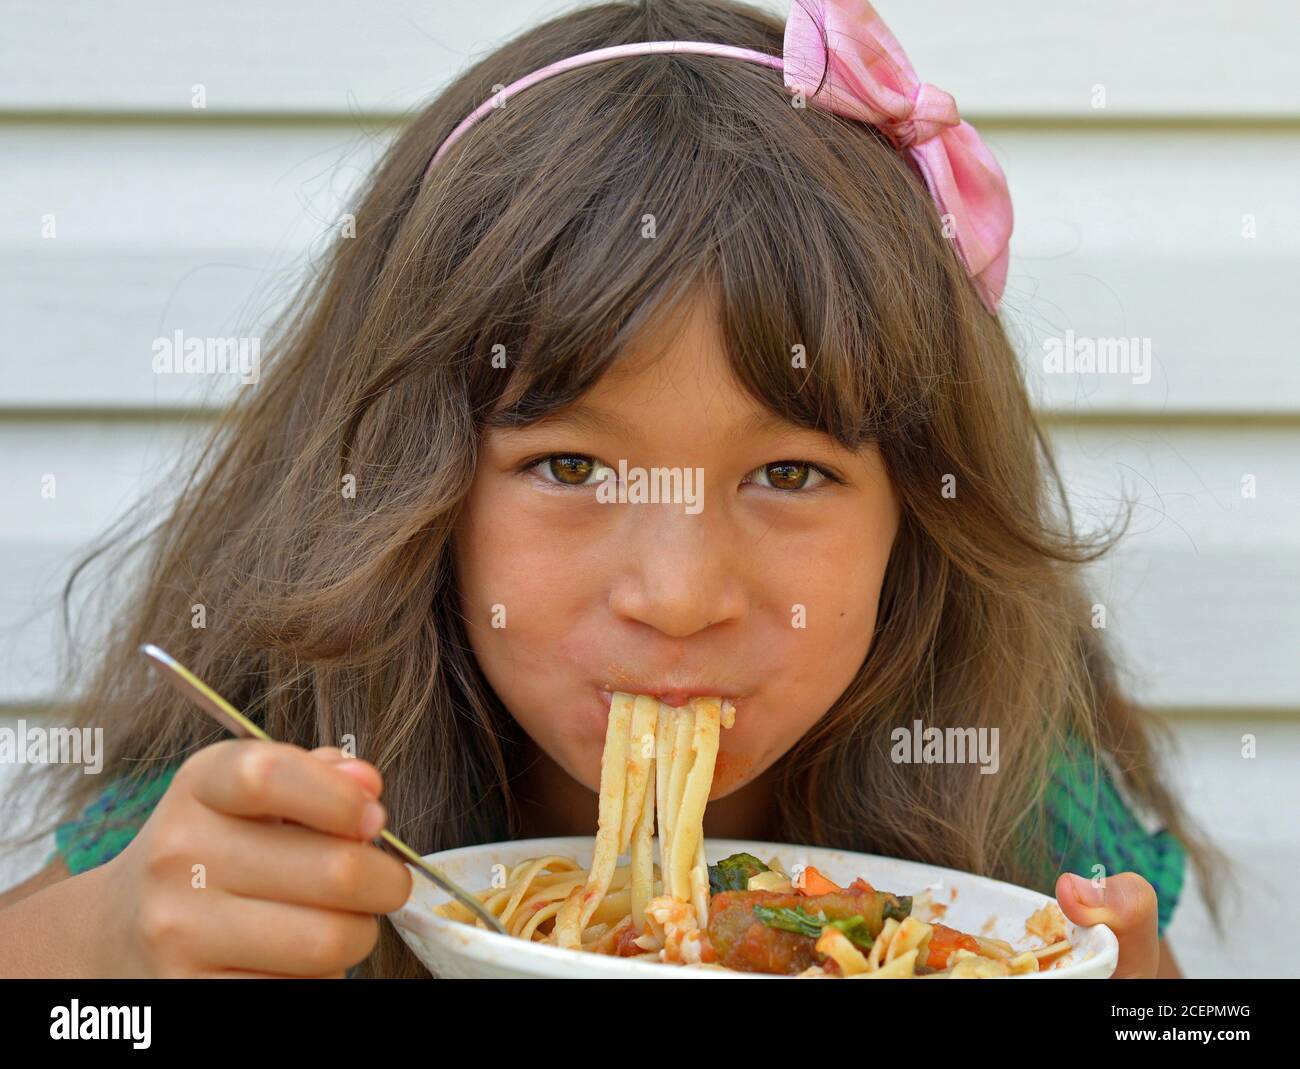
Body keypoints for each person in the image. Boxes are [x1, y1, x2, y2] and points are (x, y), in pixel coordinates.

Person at [0, 0, 1221, 978]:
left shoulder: (997, 794)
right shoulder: (289, 795)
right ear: (409, 500)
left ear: (919, 513)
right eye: (571, 467)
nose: (679, 595)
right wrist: (105, 959)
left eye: (790, 472)